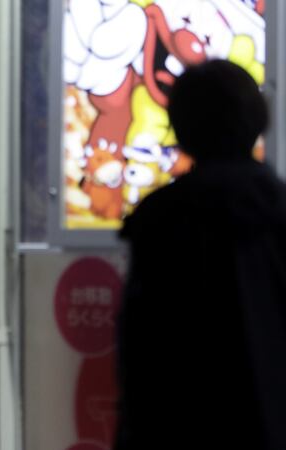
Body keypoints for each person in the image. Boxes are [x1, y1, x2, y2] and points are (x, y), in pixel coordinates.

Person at [116, 59, 286, 449]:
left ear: (182, 128)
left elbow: (143, 353)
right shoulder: (278, 211)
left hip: (182, 426)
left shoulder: (161, 220)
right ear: (259, 121)